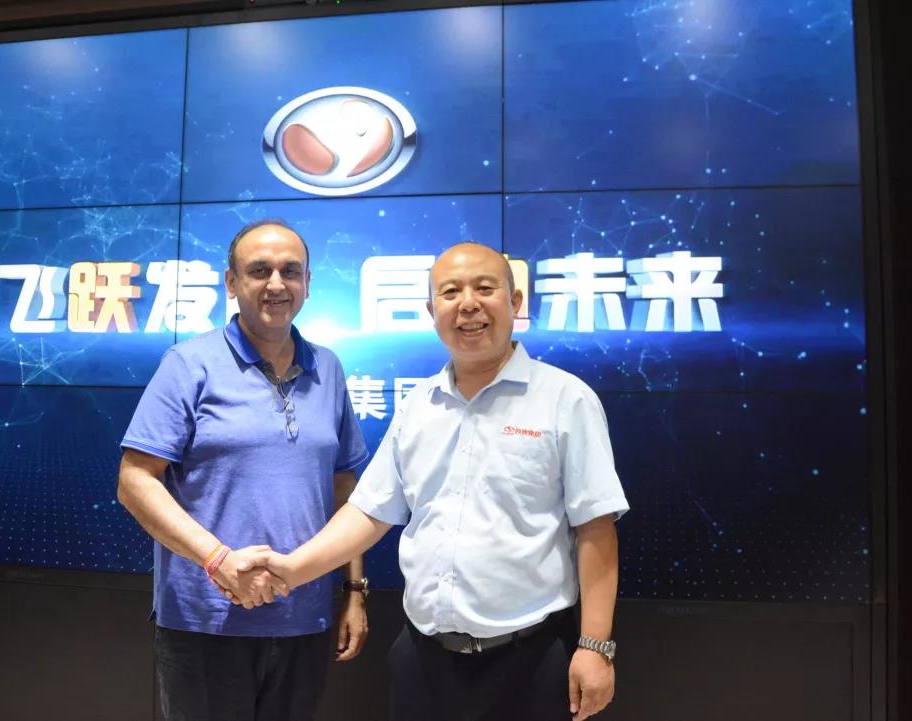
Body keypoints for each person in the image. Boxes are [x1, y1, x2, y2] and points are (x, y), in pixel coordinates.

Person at [241, 241, 629, 721]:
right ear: (431, 311)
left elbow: (595, 527)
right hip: (424, 659)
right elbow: (368, 513)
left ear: (515, 302)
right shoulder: (419, 405)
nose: (468, 304)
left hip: (531, 658)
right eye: (450, 292)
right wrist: (291, 570)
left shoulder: (566, 400)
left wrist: (595, 645)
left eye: (485, 288)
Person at [117, 220, 370, 721]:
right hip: (205, 623)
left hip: (304, 619)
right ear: (231, 283)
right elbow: (134, 480)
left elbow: (345, 486)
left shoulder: (328, 368)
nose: (277, 284)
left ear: (307, 284)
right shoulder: (189, 364)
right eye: (259, 271)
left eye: (290, 271)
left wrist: (354, 591)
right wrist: (217, 560)